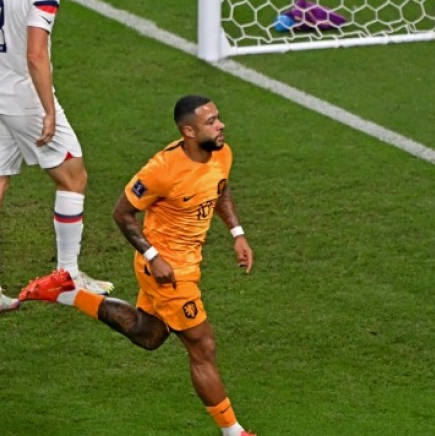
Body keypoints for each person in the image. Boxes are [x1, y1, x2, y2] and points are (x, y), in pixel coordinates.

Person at [18, 95, 257, 436]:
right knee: (202, 346)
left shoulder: (222, 152)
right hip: (167, 271)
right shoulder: (162, 170)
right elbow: (121, 213)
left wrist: (237, 232)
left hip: (187, 264)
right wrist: (152, 256)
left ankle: (68, 293)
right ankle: (234, 432)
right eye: (211, 122)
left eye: (218, 118)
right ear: (188, 131)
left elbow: (220, 188)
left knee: (150, 334)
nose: (221, 126)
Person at [0, 0, 112, 316]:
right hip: (25, 99)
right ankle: (68, 273)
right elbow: (36, 55)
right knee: (74, 176)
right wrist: (48, 111)